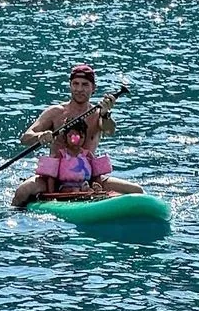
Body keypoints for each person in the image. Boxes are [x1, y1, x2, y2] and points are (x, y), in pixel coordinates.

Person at [11, 63, 143, 208]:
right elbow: (25, 138)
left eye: (85, 84)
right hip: (53, 179)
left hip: (89, 180)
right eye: (75, 84)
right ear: (70, 85)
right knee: (22, 192)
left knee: (137, 191)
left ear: (93, 88)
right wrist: (40, 136)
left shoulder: (99, 114)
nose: (79, 89)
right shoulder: (55, 112)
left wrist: (106, 114)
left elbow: (110, 130)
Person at [33, 122, 108, 200]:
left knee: (89, 190)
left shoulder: (87, 155)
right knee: (75, 190)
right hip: (65, 188)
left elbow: (96, 174)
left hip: (83, 185)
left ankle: (88, 193)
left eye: (81, 137)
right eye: (71, 136)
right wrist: (51, 194)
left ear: (84, 138)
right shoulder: (61, 154)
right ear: (65, 137)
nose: (76, 141)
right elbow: (52, 176)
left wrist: (99, 187)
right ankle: (83, 193)